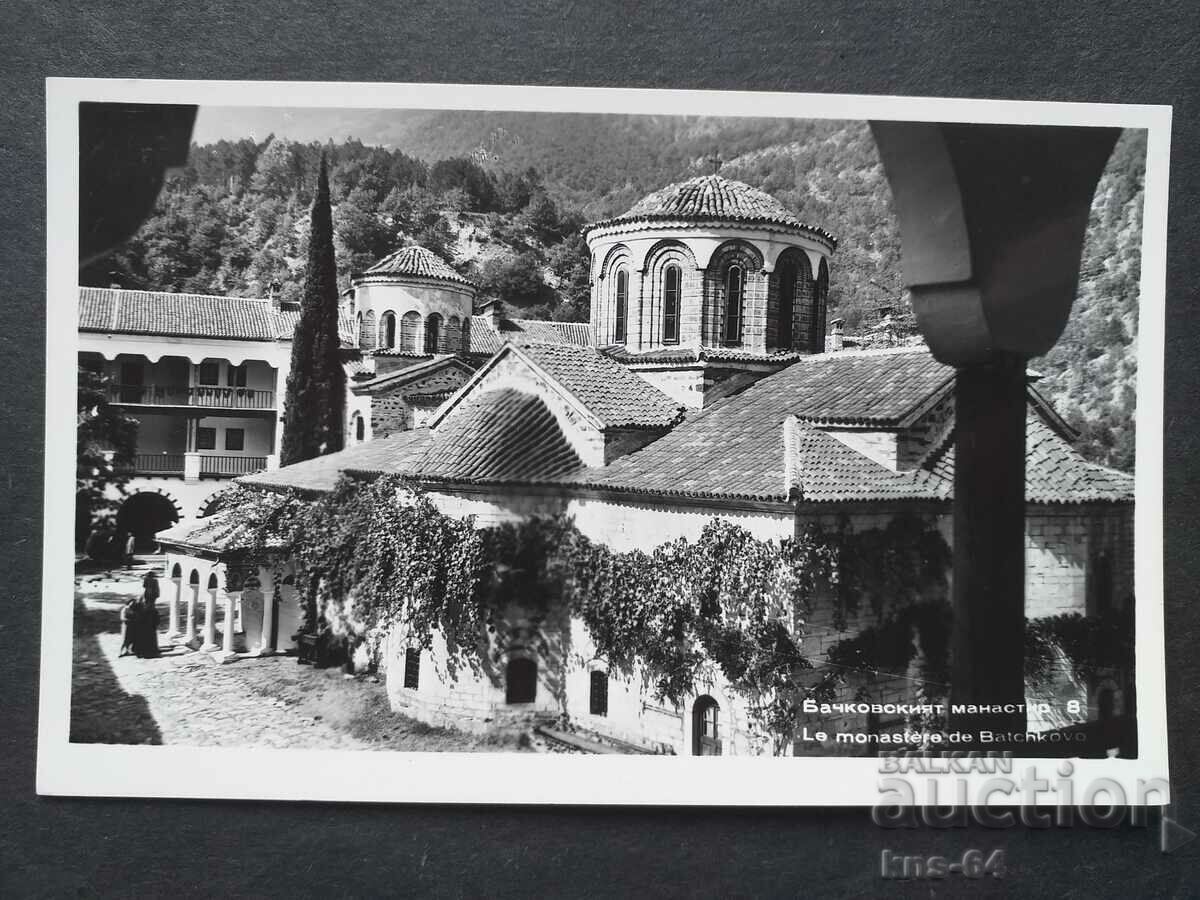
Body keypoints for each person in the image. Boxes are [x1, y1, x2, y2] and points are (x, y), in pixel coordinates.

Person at [133, 571, 161, 658]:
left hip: (146, 620)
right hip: (147, 620)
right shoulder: (150, 590)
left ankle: (144, 651)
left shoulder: (149, 593)